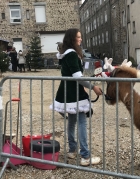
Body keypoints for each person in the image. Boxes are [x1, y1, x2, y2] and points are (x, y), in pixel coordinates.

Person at [51, 28, 102, 166]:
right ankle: (85, 156)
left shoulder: (65, 54)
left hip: (66, 90)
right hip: (74, 92)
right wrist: (93, 87)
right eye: (78, 37)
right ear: (72, 39)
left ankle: (72, 150)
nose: (81, 39)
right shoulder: (72, 54)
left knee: (72, 120)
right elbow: (78, 78)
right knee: (81, 121)